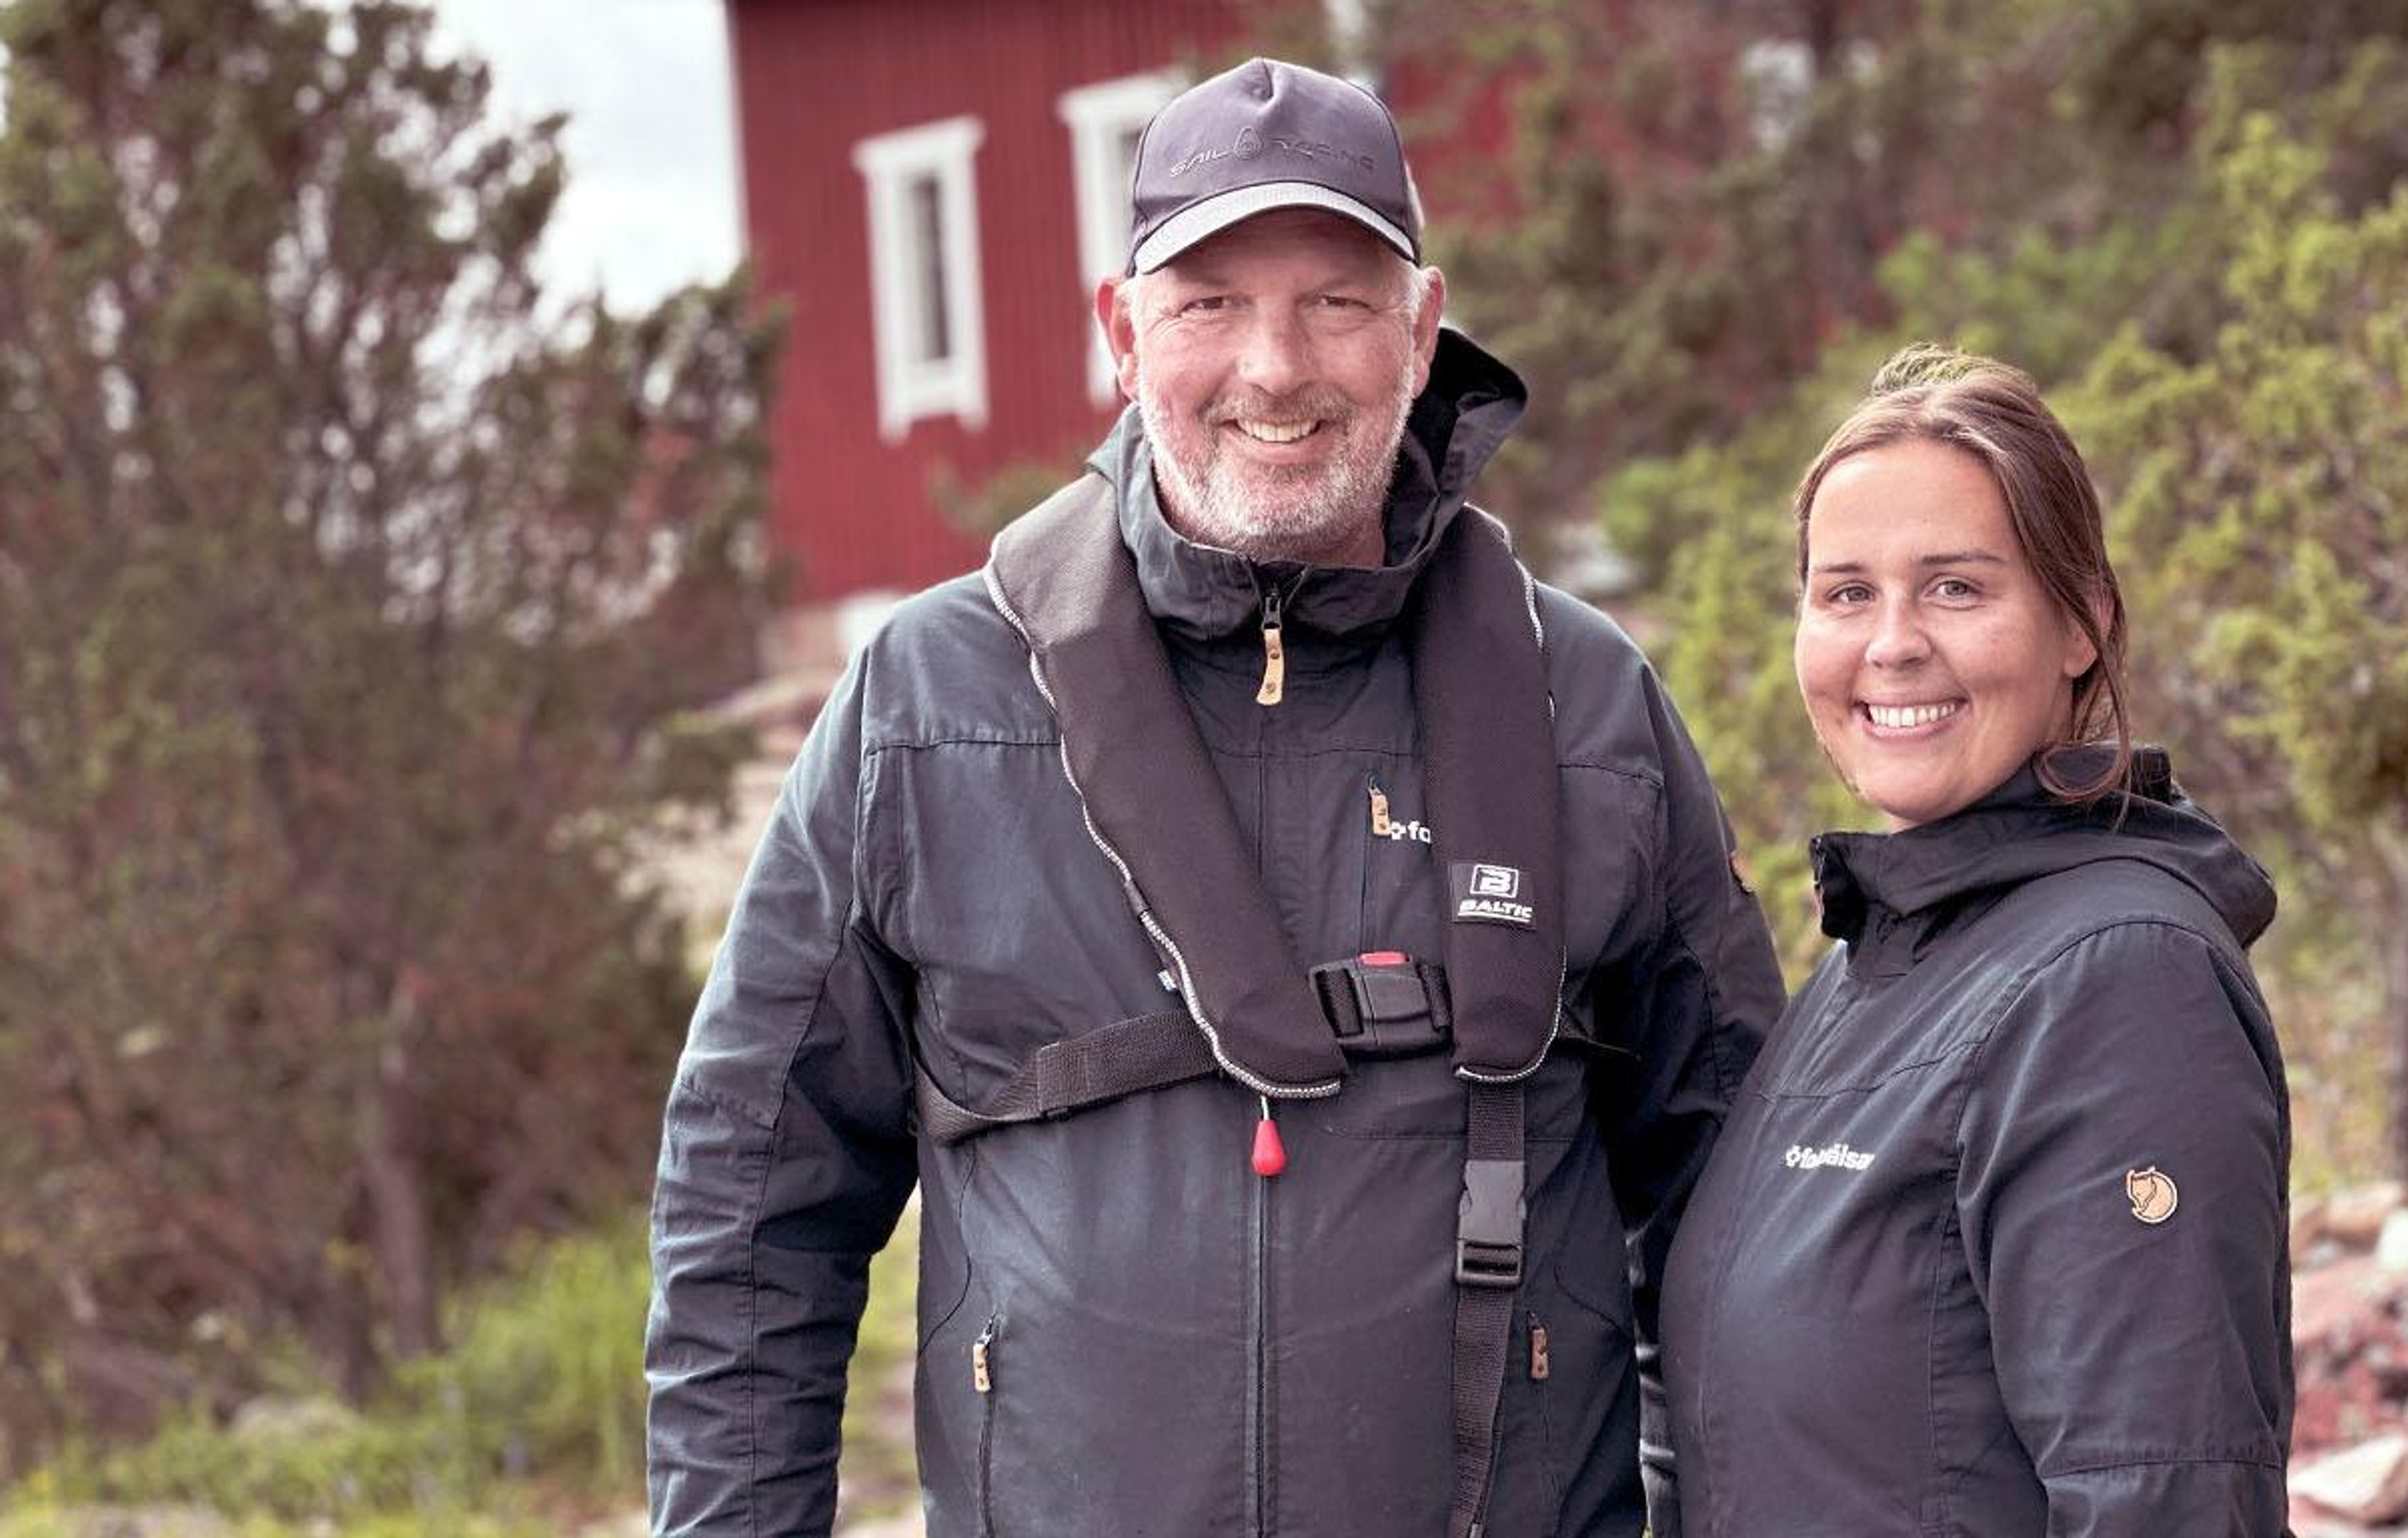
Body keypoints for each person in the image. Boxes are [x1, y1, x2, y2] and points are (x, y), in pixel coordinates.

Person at [645, 57, 1783, 1538]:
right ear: (1124, 332)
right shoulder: (925, 706)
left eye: (1336, 300)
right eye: (1210, 304)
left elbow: (1747, 1225)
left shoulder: (1594, 709)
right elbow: (749, 1209)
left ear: (1423, 332)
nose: (1274, 367)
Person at [1658, 345, 2293, 1533]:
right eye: (1847, 593)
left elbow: (2165, 1498)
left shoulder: (2120, 982)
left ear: (2080, 629)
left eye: (1955, 587)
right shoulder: (1877, 962)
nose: (1891, 644)